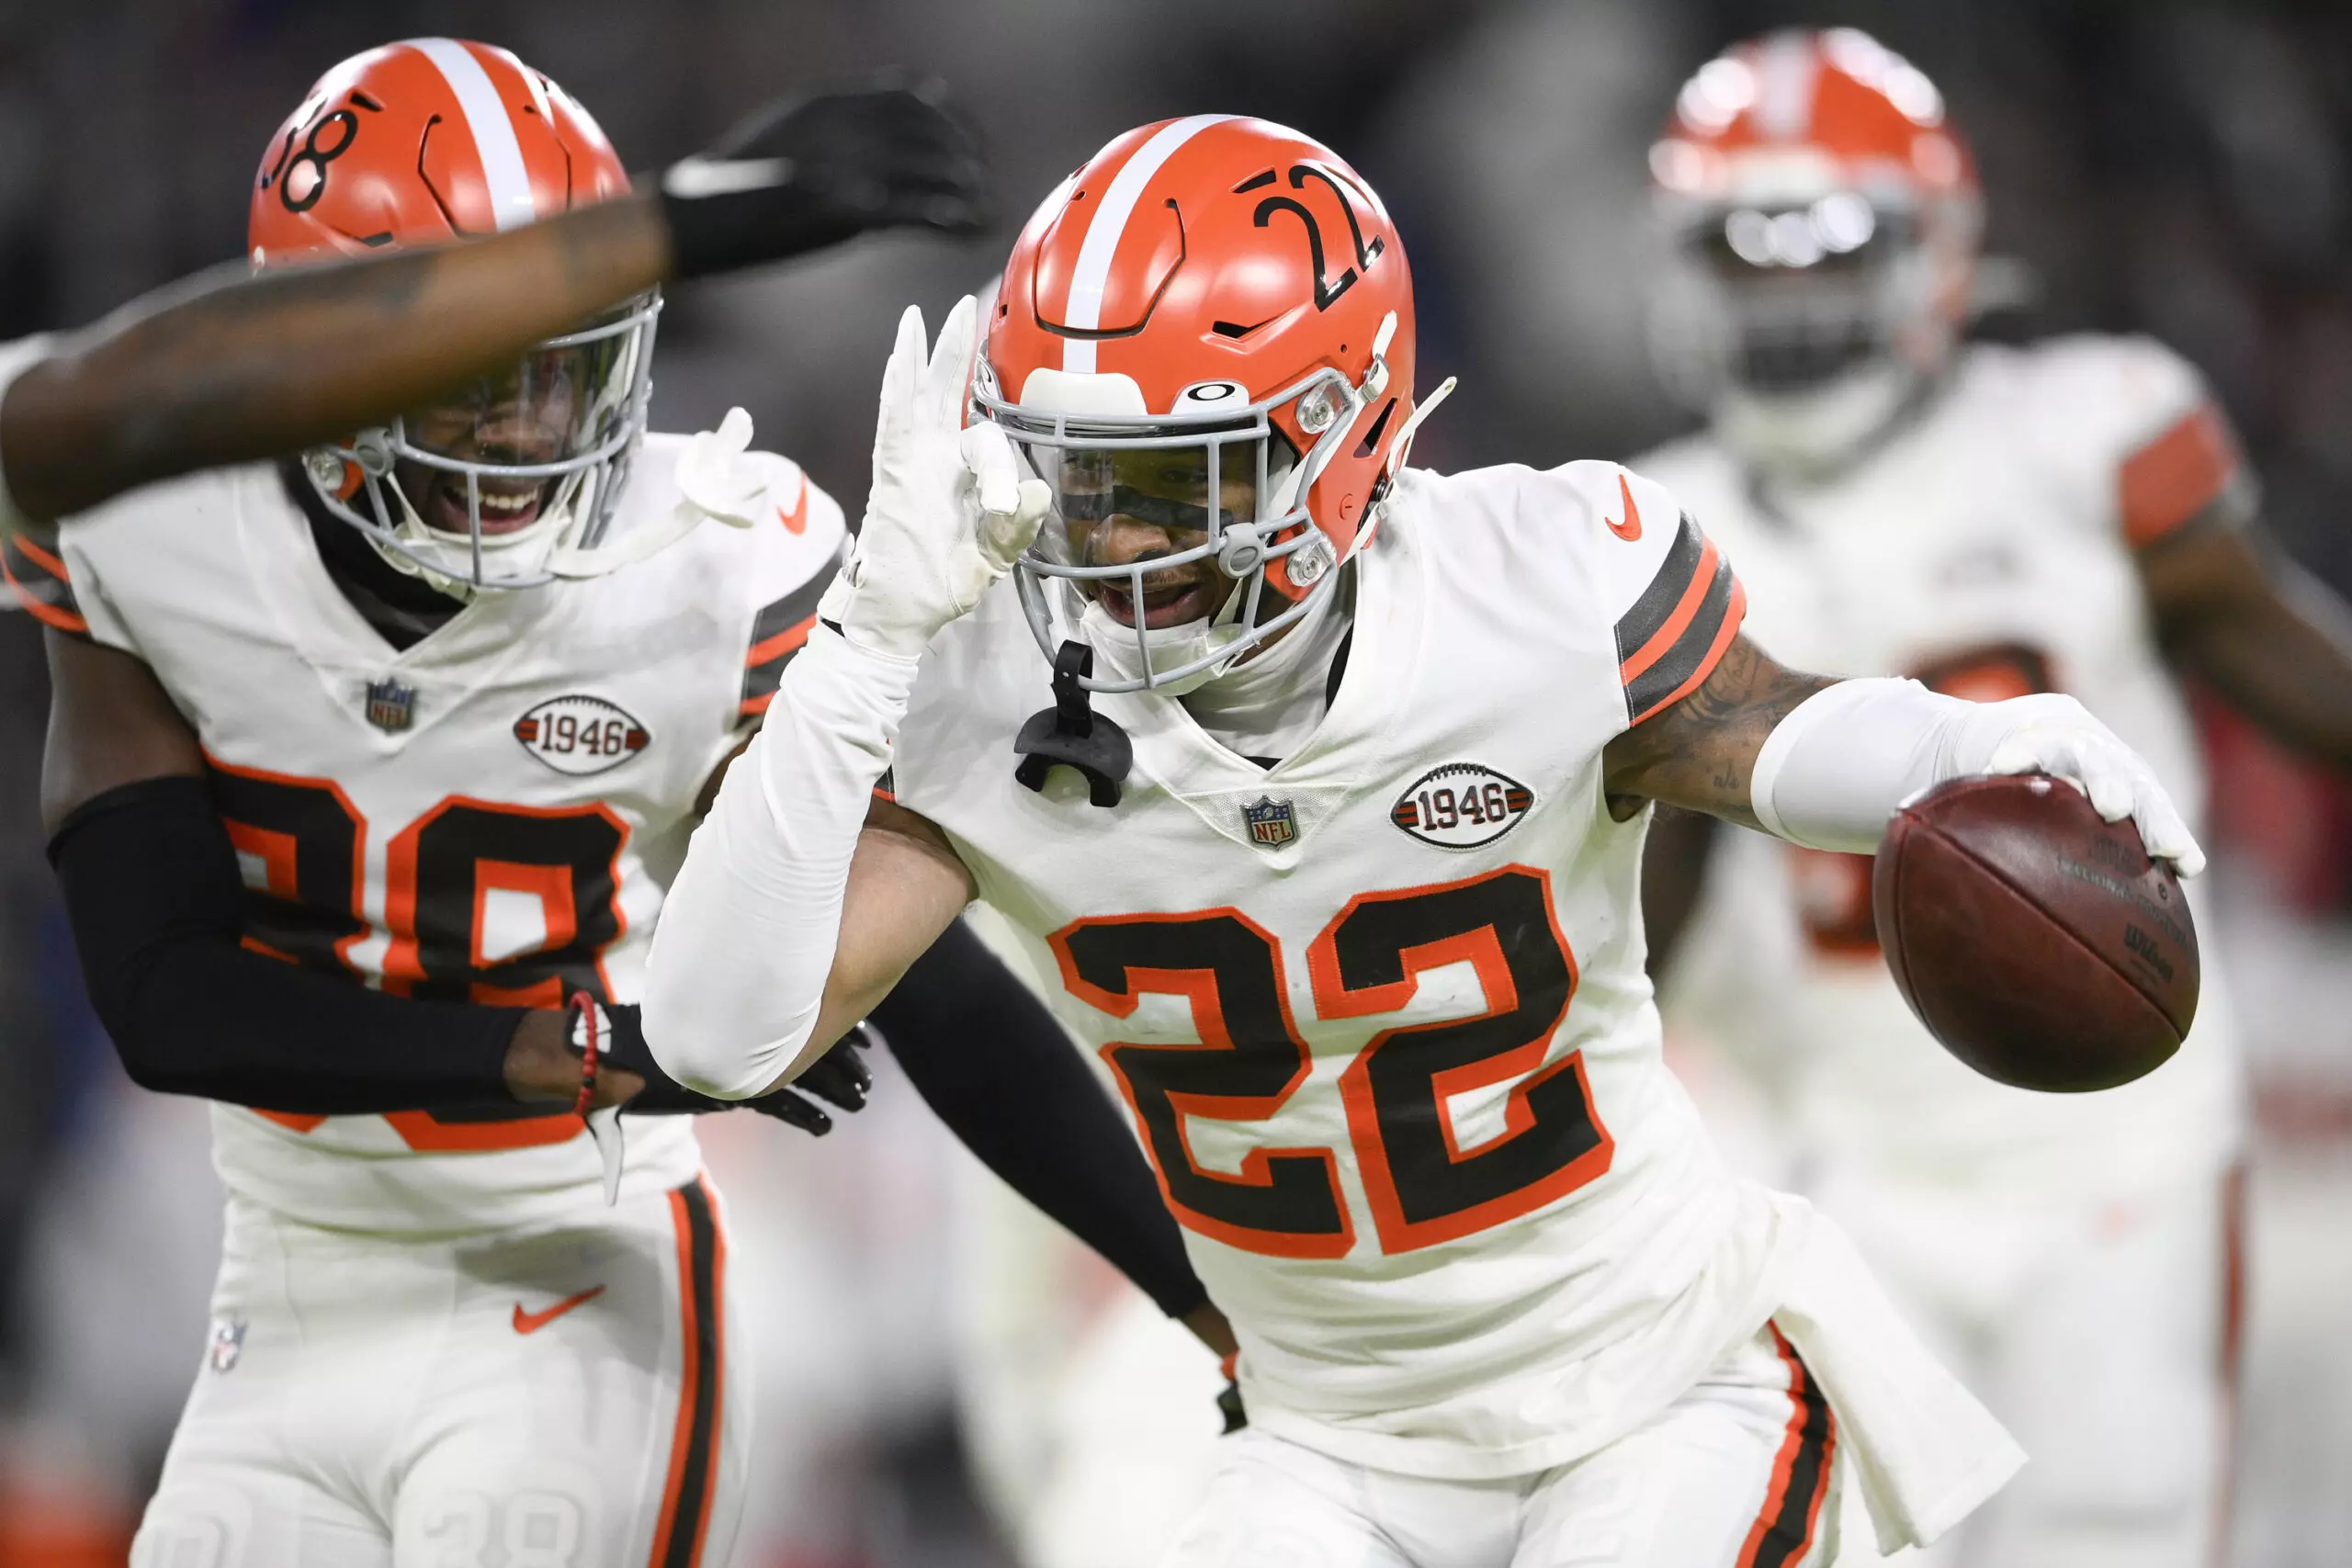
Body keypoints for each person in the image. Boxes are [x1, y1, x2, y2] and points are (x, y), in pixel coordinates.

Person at [641, 114, 2209, 1567]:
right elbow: (717, 1034)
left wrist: (1957, 746)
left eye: (1178, 482)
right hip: (1329, 1440)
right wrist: (867, 633)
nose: (1110, 539)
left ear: (1344, 436)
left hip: (1661, 1383)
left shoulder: (1533, 588)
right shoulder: (973, 677)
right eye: (1075, 476)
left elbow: (1774, 733)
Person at [28, 41, 1216, 1566]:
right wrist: (586, 1048)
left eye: (567, 363)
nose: (533, 430)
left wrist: (1200, 1294)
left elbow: (929, 988)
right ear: (324, 357)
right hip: (278, 1294)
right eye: (474, 375)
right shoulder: (155, 535)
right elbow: (167, 999)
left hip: (573, 1275)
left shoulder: (708, 557)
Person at [1628, 28, 2352, 1567]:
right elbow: (1647, 906)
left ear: (1938, 254)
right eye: (1740, 260)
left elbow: (2289, 664)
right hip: (1832, 1157)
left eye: (1825, 253)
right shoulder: (1645, 530)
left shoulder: (2087, 436)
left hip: (2118, 1148)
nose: (1785, 304)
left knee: (2118, 1536)